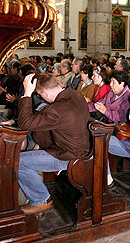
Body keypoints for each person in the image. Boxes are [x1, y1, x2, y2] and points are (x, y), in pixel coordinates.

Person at [17, 73, 90, 215]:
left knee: (18, 161)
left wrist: (27, 94)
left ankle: (41, 200)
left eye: (40, 95)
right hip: (79, 147)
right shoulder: (76, 95)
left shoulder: (57, 109)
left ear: (45, 93)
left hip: (68, 156)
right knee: (30, 151)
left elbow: (24, 123)